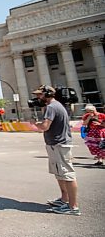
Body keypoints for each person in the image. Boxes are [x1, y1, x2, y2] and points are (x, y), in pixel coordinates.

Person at [31, 85, 81, 216]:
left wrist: (34, 124)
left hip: (59, 145)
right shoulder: (54, 106)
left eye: (39, 95)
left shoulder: (51, 107)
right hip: (55, 144)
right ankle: (64, 200)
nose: (37, 97)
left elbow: (45, 126)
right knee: (59, 173)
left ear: (47, 94)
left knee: (67, 174)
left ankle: (73, 207)